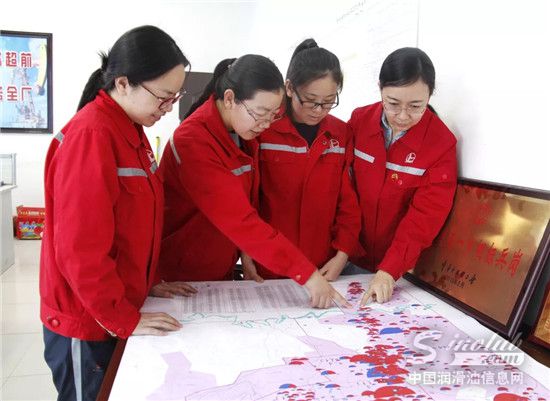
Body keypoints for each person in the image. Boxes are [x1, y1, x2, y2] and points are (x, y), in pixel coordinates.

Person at [40, 25, 196, 401]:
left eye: (175, 98)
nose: (168, 108)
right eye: (163, 97)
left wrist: (148, 281)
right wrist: (124, 318)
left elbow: (133, 225)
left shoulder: (130, 130)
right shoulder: (92, 135)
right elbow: (80, 249)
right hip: (88, 320)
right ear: (123, 83)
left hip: (114, 306)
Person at [158, 55, 349, 309]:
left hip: (219, 269)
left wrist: (244, 252)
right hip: (181, 274)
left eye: (273, 115)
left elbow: (250, 200)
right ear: (229, 99)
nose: (266, 125)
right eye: (260, 114)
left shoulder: (243, 133)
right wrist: (308, 275)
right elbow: (240, 219)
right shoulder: (193, 141)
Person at [240, 39, 360, 282]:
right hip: (270, 262)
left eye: (329, 101)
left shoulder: (340, 134)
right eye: (310, 100)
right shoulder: (264, 129)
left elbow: (348, 201)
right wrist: (245, 249)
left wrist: (343, 254)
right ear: (289, 88)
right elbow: (246, 196)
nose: (319, 110)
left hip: (323, 265)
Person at [348, 47, 457, 305]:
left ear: (430, 94)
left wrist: (389, 270)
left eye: (416, 106)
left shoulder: (441, 144)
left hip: (400, 269)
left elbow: (424, 217)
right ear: (380, 89)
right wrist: (342, 249)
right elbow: (343, 189)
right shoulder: (359, 121)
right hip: (347, 256)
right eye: (393, 104)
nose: (403, 116)